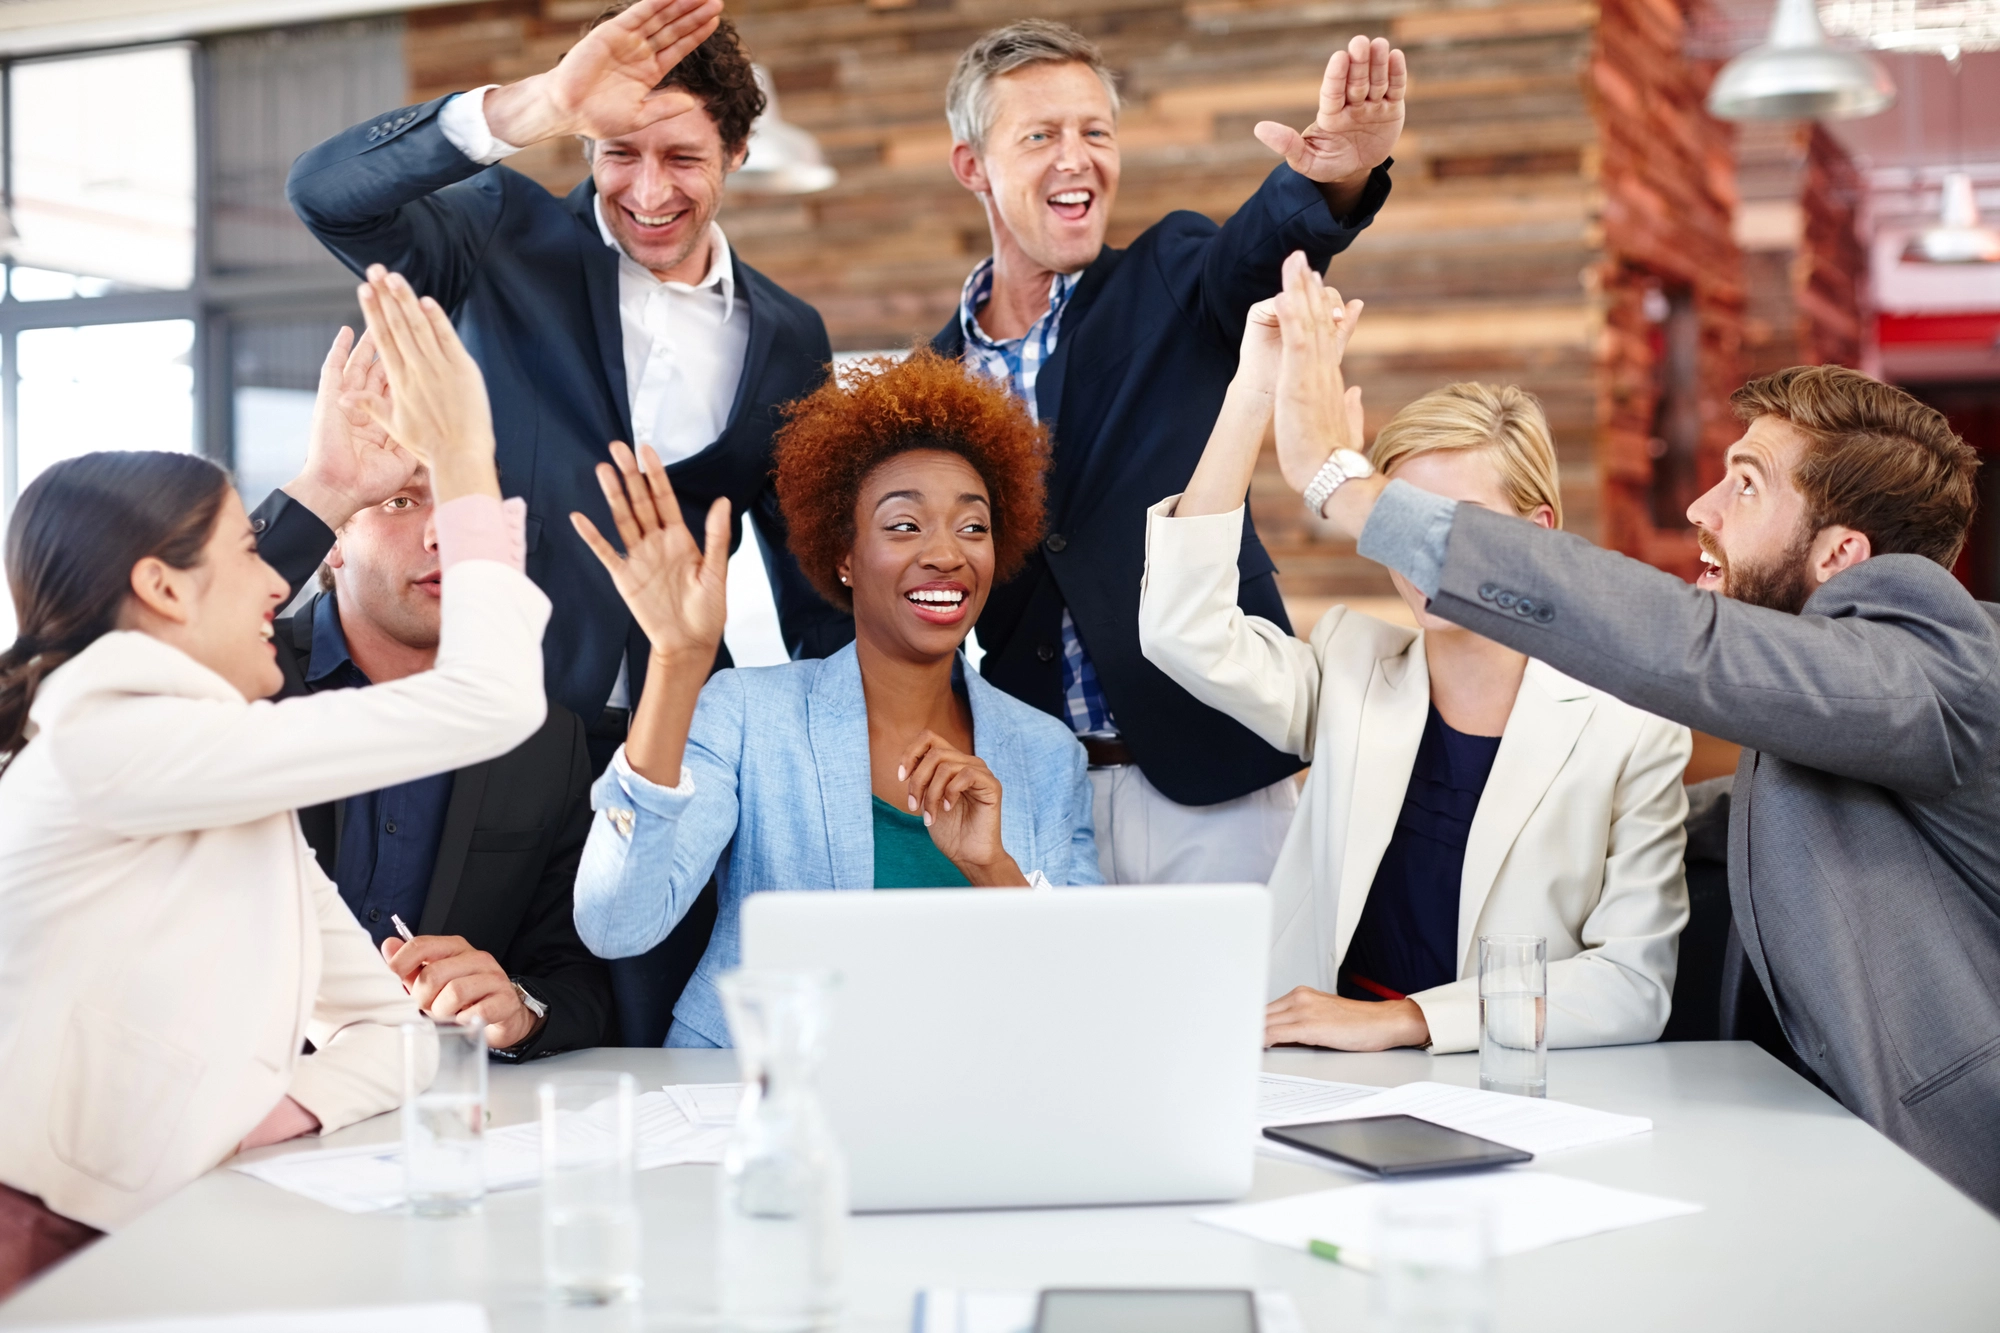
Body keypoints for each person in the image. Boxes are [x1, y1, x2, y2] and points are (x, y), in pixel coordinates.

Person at [1270, 252, 2000, 1212]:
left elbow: (1688, 647)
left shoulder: (1938, 652)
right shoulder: (1840, 708)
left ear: (1843, 556)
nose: (1698, 506)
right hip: (1792, 1148)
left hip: (1947, 1177)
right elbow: (1776, 826)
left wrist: (1350, 488)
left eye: (1744, 483)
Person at [0, 267, 546, 1286]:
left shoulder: (216, 773)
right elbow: (493, 702)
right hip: (39, 1248)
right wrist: (465, 461)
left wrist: (250, 1116)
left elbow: (392, 1030)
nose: (274, 582)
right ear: (162, 587)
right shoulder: (111, 749)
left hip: (165, 1227)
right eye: (250, 550)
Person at [285, 0, 850, 760]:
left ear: (738, 152)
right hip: (493, 725)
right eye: (620, 153)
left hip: (689, 737)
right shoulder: (500, 234)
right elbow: (325, 193)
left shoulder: (791, 334)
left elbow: (815, 578)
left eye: (682, 159)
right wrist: (540, 104)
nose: (649, 195)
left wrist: (844, 754)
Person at [1138, 281, 1691, 1054]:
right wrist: (1255, 388)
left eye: (1458, 526)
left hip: (1498, 1085)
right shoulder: (1351, 660)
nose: (1427, 559)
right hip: (1312, 1075)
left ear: (1538, 532)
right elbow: (1181, 627)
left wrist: (1406, 1020)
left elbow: (1632, 986)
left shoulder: (1630, 729)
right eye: (1403, 522)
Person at [929, 21, 1403, 884]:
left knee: (1245, 1021)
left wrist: (1335, 177)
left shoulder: (1170, 278)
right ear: (973, 167)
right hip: (1038, 793)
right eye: (1040, 136)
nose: (1076, 158)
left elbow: (1253, 251)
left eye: (1094, 132)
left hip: (1217, 778)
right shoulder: (933, 379)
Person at [572, 351, 1100, 1047]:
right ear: (844, 555)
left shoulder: (1046, 754)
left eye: (973, 527)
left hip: (968, 1105)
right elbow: (615, 924)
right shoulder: (748, 716)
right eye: (904, 525)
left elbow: (1085, 994)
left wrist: (992, 869)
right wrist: (676, 663)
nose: (947, 553)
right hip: (762, 1103)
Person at [255, 330, 612, 1059]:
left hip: (434, 1112)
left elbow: (576, 977)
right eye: (398, 501)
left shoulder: (545, 740)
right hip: (230, 1097)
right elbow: (153, 640)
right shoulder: (246, 674)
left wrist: (518, 1005)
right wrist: (322, 486)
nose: (441, 532)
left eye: (459, 501)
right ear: (333, 537)